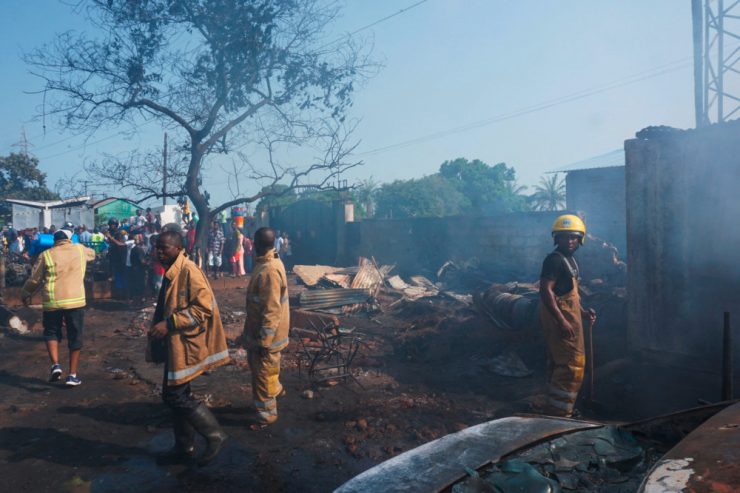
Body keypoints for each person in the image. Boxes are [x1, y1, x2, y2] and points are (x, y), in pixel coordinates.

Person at [148, 231, 229, 466]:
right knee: (176, 394)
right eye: (157, 247)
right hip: (176, 344)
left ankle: (216, 435)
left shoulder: (189, 270)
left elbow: (203, 308)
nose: (159, 252)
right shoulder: (172, 271)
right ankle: (184, 447)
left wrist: (169, 323)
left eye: (164, 247)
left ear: (178, 247)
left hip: (186, 344)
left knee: (174, 395)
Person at [21, 225, 96, 386]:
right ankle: (72, 375)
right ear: (69, 239)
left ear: (54, 241)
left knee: (51, 333)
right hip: (75, 301)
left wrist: (25, 294)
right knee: (75, 336)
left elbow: (34, 280)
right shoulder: (80, 250)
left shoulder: (46, 254)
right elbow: (94, 254)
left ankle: (56, 365)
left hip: (52, 301)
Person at [538, 214, 597, 417]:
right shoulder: (554, 260)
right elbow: (546, 290)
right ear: (556, 239)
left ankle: (562, 407)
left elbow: (569, 294)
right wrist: (561, 320)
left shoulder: (570, 260)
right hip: (560, 320)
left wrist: (583, 312)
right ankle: (559, 413)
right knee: (571, 365)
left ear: (580, 238)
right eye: (564, 237)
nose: (569, 241)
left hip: (570, 317)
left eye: (573, 237)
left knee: (566, 363)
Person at [242, 227, 290, 426]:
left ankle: (266, 414)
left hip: (267, 336)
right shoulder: (270, 262)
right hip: (270, 332)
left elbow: (271, 309)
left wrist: (264, 341)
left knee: (262, 374)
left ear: (256, 244)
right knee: (270, 368)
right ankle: (277, 390)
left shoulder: (268, 269)